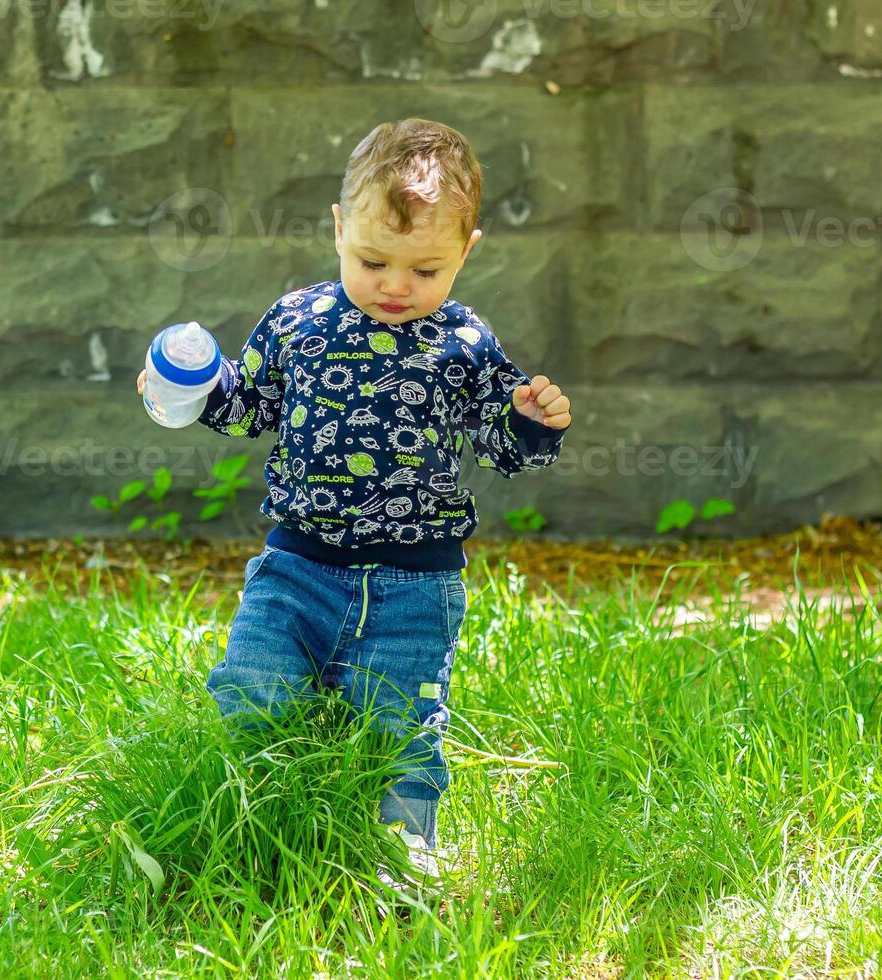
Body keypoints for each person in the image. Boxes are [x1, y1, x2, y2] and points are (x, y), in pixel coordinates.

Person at [136, 118, 573, 881]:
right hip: (299, 569)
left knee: (401, 726)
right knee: (256, 689)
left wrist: (528, 421)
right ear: (339, 232)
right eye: (374, 261)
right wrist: (199, 386)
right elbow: (253, 405)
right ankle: (259, 827)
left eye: (427, 270)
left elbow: (499, 443)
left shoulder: (465, 343)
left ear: (466, 254)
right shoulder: (298, 321)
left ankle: (403, 861)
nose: (398, 286)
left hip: (415, 583)